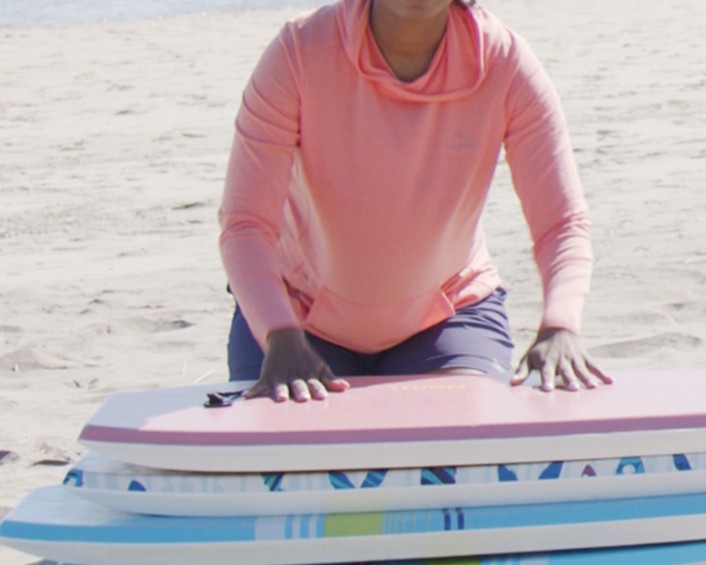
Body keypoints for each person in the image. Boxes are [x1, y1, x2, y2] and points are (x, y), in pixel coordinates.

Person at [220, 0, 611, 402]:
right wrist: (277, 333)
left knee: (459, 450)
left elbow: (561, 223)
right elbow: (246, 224)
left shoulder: (504, 61)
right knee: (288, 450)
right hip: (295, 322)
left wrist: (560, 324)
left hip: (447, 317)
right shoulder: (300, 51)